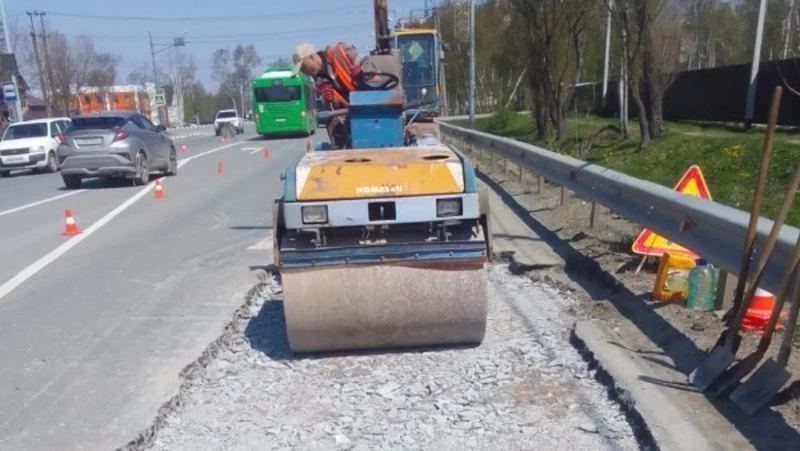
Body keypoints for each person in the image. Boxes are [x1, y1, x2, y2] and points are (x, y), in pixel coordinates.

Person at [291, 42, 376, 149]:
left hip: (373, 99)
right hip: (353, 113)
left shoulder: (340, 52)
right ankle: (340, 150)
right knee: (332, 120)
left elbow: (365, 60)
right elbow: (334, 109)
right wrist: (331, 101)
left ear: (312, 57)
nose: (305, 73)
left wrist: (363, 72)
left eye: (303, 68)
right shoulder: (319, 83)